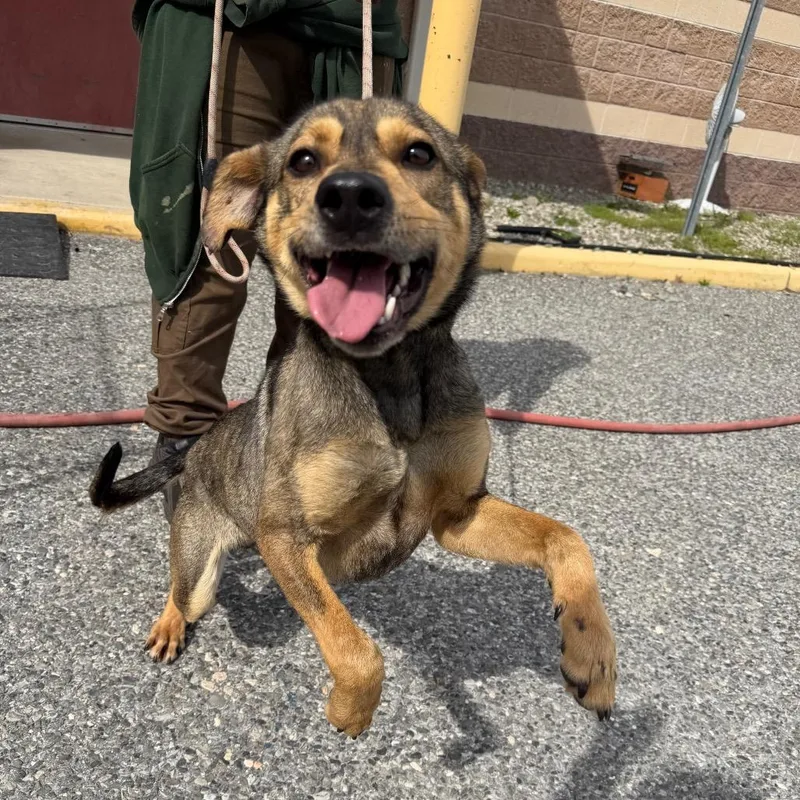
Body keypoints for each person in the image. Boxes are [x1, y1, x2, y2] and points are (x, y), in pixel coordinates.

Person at [128, 0, 408, 520]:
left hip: (351, 26)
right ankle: (186, 440)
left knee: (341, 245)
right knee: (210, 237)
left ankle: (297, 436)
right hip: (231, 20)